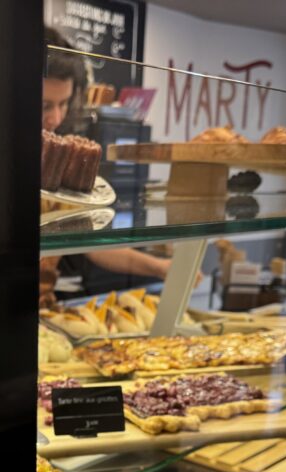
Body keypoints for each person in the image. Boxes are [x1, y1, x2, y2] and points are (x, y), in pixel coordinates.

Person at [40, 29, 181, 305]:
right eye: (45, 105)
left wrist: (161, 268)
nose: (55, 118)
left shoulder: (65, 163)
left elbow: (91, 243)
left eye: (63, 104)